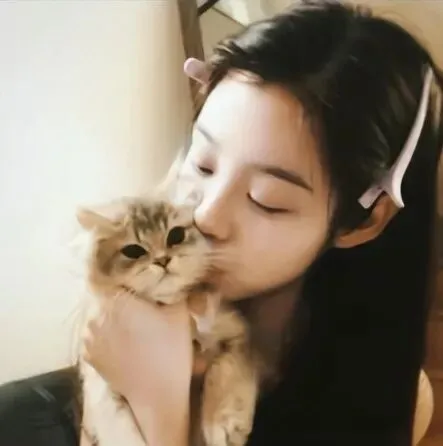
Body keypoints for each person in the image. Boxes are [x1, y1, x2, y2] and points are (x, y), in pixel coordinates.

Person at [0, 1, 442, 445]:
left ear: (361, 222)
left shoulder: (383, 397)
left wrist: (160, 406)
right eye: (203, 164)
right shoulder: (126, 323)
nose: (206, 215)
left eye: (266, 199)